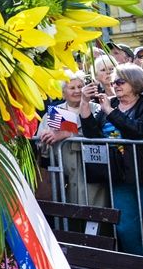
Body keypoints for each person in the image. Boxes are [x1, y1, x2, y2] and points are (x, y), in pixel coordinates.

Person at [80, 63, 143, 258]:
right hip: (119, 176)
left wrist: (111, 112)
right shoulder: (108, 105)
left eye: (120, 81)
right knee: (126, 228)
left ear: (135, 83)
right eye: (113, 82)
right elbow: (93, 136)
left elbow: (141, 132)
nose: (115, 85)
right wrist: (85, 104)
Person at [36, 73, 107, 209]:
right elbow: (42, 144)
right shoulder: (56, 112)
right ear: (63, 93)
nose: (77, 91)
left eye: (80, 86)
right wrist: (45, 137)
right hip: (62, 171)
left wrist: (68, 134)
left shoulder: (96, 108)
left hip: (90, 169)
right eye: (72, 88)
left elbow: (97, 134)